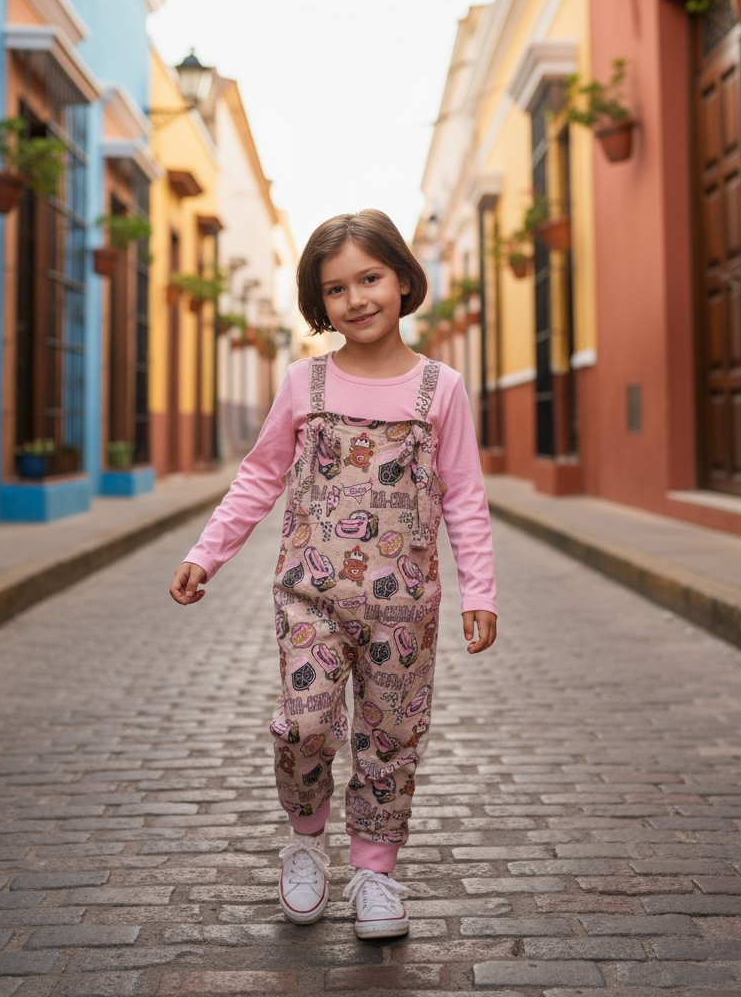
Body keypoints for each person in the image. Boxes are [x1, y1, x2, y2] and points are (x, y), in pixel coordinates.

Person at [170, 209, 497, 940]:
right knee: (306, 722)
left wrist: (481, 589)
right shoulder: (304, 383)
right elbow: (258, 478)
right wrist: (205, 552)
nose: (357, 299)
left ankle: (376, 870)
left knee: (391, 734)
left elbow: (465, 496)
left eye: (370, 278)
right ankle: (307, 842)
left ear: (404, 279)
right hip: (309, 598)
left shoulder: (439, 390)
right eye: (337, 288)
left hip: (404, 608)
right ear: (320, 303)